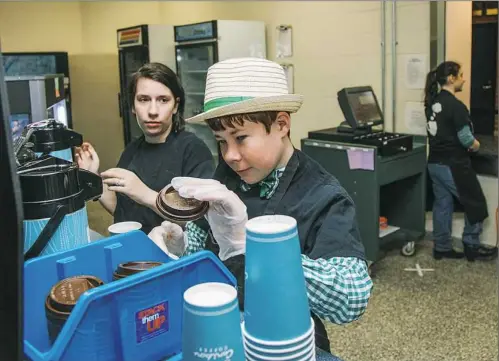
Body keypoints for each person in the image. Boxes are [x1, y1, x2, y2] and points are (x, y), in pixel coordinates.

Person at [148, 58, 373, 353]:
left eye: (241, 138)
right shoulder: (228, 174)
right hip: (222, 327)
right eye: (221, 141)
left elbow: (352, 299)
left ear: (281, 124)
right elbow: (206, 247)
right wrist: (182, 247)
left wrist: (258, 249)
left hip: (285, 341)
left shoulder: (323, 196)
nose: (230, 155)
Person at [76, 62, 215, 235]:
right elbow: (123, 211)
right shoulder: (131, 151)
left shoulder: (193, 150)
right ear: (133, 106)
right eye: (143, 100)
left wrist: (146, 195)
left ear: (176, 106)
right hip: (134, 251)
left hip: (172, 255)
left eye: (163, 100)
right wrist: (93, 177)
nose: (153, 111)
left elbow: (201, 223)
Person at [424, 61, 497, 261]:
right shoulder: (456, 106)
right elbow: (466, 139)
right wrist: (477, 146)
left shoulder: (432, 102)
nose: (464, 79)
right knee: (476, 202)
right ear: (451, 79)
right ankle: (472, 246)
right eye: (461, 75)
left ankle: (442, 247)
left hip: (435, 163)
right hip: (453, 164)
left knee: (443, 205)